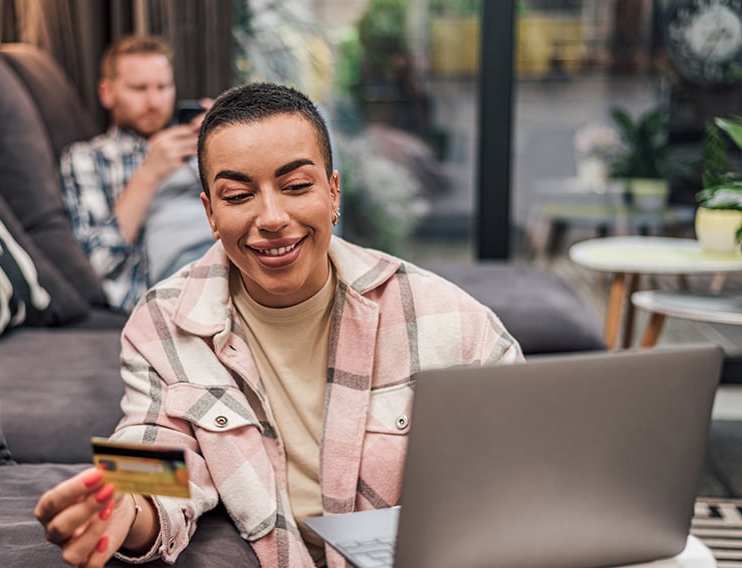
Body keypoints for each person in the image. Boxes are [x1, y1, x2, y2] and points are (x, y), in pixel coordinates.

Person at [36, 82, 523, 568]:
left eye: (295, 187)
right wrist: (123, 506)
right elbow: (155, 452)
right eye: (238, 195)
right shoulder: (161, 323)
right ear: (210, 212)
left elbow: (525, 471)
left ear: (333, 193)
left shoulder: (451, 319)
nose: (271, 218)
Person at [60, 35, 215, 313]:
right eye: (139, 88)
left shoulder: (198, 139)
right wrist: (149, 174)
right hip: (182, 275)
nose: (154, 101)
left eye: (163, 87)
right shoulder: (87, 158)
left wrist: (225, 138)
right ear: (107, 92)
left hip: (232, 251)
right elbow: (101, 261)